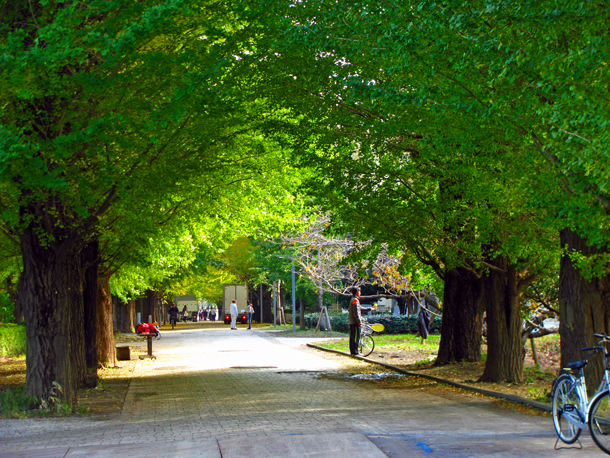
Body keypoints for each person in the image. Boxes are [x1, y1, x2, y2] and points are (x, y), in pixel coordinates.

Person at [348, 286, 374, 355]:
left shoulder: (353, 299)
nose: (360, 293)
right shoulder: (355, 300)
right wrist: (359, 322)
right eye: (359, 292)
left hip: (352, 322)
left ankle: (353, 351)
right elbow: (356, 312)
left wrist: (370, 309)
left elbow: (359, 308)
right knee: (356, 337)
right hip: (355, 322)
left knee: (353, 336)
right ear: (356, 293)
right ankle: (355, 351)